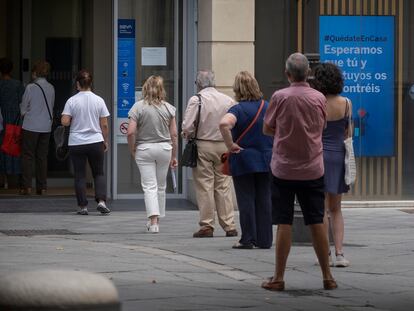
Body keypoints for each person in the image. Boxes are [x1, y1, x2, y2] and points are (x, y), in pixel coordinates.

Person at [261, 53, 337, 291]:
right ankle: (327, 276)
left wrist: (284, 134)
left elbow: (267, 128)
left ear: (287, 74)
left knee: (284, 222)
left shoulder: (280, 97)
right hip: (313, 168)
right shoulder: (318, 98)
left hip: (283, 168)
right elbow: (322, 126)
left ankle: (279, 277)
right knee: (317, 221)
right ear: (308, 74)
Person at [219, 71, 273, 249]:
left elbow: (224, 124)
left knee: (246, 199)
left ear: (238, 89)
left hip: (244, 159)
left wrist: (230, 144)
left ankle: (248, 239)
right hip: (266, 158)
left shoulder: (238, 109)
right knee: (264, 199)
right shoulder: (267, 106)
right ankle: (265, 240)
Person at [182, 70, 238, 238]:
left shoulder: (196, 100)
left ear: (198, 84)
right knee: (223, 185)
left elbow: (187, 127)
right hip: (223, 145)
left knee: (205, 186)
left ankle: (207, 225)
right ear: (214, 82)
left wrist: (187, 134)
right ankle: (229, 225)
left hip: (203, 145)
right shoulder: (228, 100)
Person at [312, 62, 352, 267]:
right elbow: (348, 133)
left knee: (322, 209)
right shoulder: (346, 103)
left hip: (319, 155)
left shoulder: (317, 103)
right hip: (338, 156)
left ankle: (324, 252)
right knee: (337, 208)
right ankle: (340, 253)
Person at [127, 75, 178, 233]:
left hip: (145, 149)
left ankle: (153, 222)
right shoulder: (169, 108)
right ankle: (158, 220)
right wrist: (174, 156)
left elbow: (130, 132)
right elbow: (174, 135)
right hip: (164, 149)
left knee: (150, 186)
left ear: (145, 88)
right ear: (162, 89)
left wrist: (132, 149)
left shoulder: (138, 107)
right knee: (161, 186)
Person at [61, 69, 110, 215]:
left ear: (78, 84)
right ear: (91, 83)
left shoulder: (72, 101)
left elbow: (65, 122)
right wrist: (105, 140)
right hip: (96, 141)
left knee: (80, 174)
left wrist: (68, 117)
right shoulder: (99, 100)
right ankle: (101, 201)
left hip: (77, 142)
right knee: (98, 173)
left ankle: (83, 206)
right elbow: (105, 125)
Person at [20, 60, 55, 195]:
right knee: (42, 157)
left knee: (28, 156)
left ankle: (27, 187)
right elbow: (51, 106)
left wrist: (26, 112)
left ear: (35, 72)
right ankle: (42, 187)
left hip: (30, 125)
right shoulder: (51, 88)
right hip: (46, 126)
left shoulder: (30, 87)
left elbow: (23, 108)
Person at [0, 58, 24, 190]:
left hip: (1, 120)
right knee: (14, 147)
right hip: (14, 120)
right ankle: (14, 182)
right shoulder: (18, 84)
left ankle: (1, 180)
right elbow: (23, 102)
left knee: (2, 148)